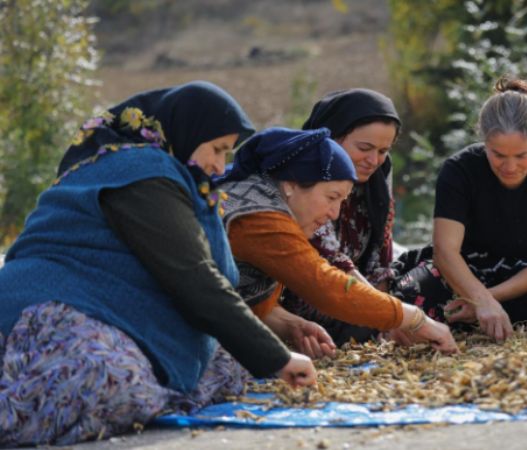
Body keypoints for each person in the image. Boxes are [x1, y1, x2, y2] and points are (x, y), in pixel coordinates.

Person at [0, 81, 315, 447]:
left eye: (227, 154)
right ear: (186, 131)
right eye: (217, 149)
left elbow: (211, 278)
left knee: (226, 365)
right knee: (105, 377)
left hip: (106, 309)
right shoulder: (140, 172)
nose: (219, 165)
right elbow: (193, 277)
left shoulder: (179, 182)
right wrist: (277, 358)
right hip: (48, 309)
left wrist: (267, 353)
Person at [217, 127, 458, 354]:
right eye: (332, 197)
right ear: (291, 184)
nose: (335, 213)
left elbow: (243, 297)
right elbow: (323, 284)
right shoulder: (258, 217)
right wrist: (416, 319)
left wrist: (290, 324)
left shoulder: (274, 201)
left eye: (342, 201)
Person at [391, 77, 527, 342]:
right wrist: (478, 297)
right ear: (483, 141)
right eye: (498, 155)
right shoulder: (459, 170)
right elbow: (445, 251)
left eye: (521, 156)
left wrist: (487, 300)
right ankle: (464, 320)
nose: (510, 166)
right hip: (464, 271)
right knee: (408, 295)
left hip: (525, 277)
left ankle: (467, 320)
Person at [281, 89, 401, 342]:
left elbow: (382, 250)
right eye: (365, 147)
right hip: (310, 290)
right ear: (333, 137)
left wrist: (386, 306)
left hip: (355, 287)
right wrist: (387, 314)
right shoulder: (306, 173)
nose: (373, 160)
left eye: (383, 151)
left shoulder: (377, 178)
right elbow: (328, 257)